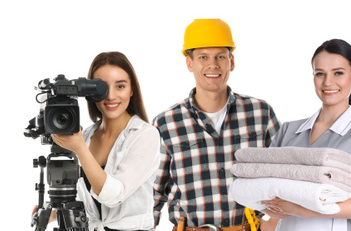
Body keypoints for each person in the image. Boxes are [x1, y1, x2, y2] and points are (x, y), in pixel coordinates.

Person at [152, 19, 281, 230]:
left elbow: (284, 177)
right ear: (189, 63)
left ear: (231, 61)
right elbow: (153, 194)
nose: (213, 65)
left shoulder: (260, 113)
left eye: (220, 56)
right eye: (203, 57)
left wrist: (275, 222)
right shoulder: (166, 123)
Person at [258, 39, 351, 231]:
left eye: (338, 73)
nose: (328, 82)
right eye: (320, 74)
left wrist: (304, 210)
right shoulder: (289, 131)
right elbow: (273, 190)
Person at [49, 51, 161, 230]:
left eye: (120, 86)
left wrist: (79, 149)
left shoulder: (145, 135)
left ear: (132, 89)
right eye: (102, 88)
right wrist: (53, 213)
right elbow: (90, 203)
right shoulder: (85, 136)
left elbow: (114, 195)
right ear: (91, 93)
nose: (110, 96)